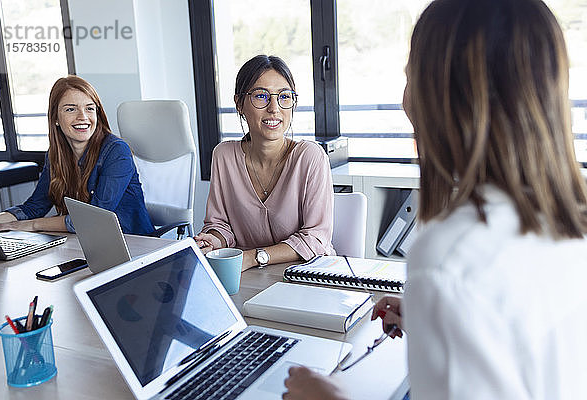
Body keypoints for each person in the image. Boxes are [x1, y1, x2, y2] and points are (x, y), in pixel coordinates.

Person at [283, 0, 587, 398]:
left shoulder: (452, 254)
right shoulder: (568, 221)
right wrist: (440, 318)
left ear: (446, 97)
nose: (403, 100)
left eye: (411, 77)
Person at [194, 55, 335, 271]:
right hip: (246, 277)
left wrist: (253, 257)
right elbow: (220, 225)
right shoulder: (223, 155)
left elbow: (315, 238)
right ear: (239, 104)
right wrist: (213, 240)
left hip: (304, 276)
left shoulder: (310, 157)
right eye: (261, 96)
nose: (274, 108)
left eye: (284, 97)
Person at [0, 75, 154, 236]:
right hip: (87, 243)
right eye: (71, 109)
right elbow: (34, 207)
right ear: (56, 118)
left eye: (89, 108)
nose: (83, 117)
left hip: (135, 245)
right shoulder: (56, 155)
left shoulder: (117, 151)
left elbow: (94, 218)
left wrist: (32, 225)